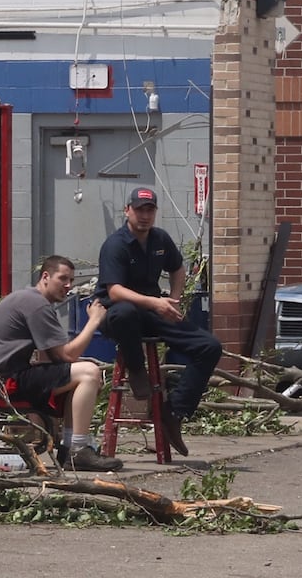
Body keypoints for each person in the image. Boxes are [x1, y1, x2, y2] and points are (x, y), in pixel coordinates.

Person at [95, 186, 222, 458]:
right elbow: (115, 291)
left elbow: (177, 268)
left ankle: (173, 411)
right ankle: (137, 369)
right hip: (116, 314)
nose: (144, 216)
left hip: (153, 310)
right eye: (139, 210)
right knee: (125, 312)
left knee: (209, 346)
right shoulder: (115, 245)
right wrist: (156, 303)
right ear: (127, 211)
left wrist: (173, 301)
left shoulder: (160, 239)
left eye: (149, 210)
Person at [0, 255, 123, 472]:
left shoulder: (30, 300)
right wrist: (94, 321)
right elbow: (66, 356)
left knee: (82, 375)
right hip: (0, 383)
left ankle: (72, 447)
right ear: (45, 276)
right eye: (63, 278)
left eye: (71, 280)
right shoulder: (36, 304)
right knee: (89, 372)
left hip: (2, 377)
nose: (68, 285)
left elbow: (51, 358)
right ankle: (78, 450)